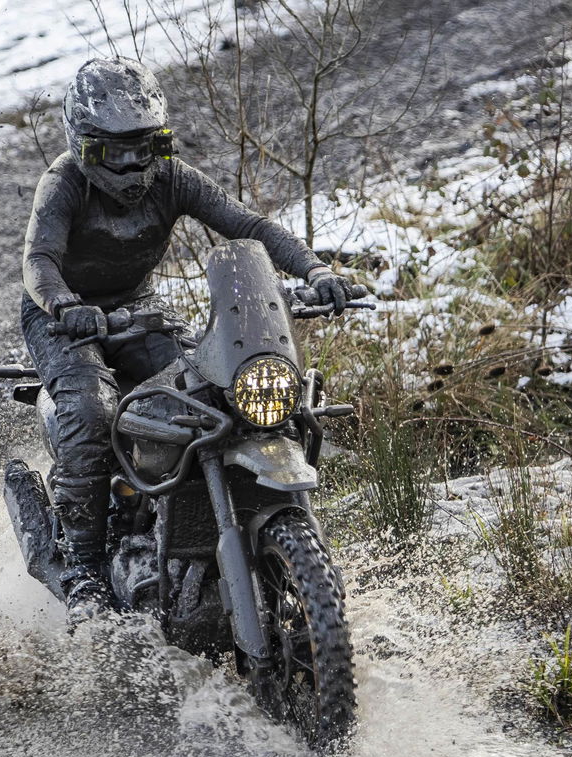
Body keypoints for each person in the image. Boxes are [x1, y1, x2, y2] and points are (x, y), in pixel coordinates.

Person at [21, 56, 349, 618]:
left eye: (143, 147)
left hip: (140, 312)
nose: (129, 165)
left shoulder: (174, 178)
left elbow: (250, 227)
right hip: (62, 318)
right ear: (82, 144)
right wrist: (65, 306)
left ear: (161, 142)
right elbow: (39, 261)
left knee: (203, 403)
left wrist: (314, 270)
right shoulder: (63, 184)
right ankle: (82, 568)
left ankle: (183, 527)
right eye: (112, 152)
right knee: (91, 416)